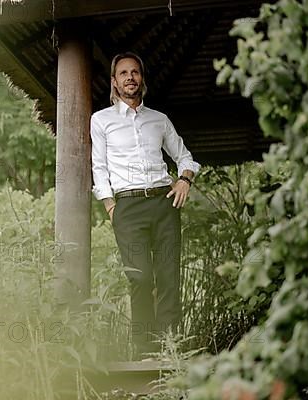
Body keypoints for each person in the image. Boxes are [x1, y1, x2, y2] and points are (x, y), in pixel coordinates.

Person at [90, 52, 201, 361]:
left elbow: (185, 157)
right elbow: (99, 168)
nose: (130, 77)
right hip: (126, 207)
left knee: (168, 275)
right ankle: (144, 352)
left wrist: (184, 180)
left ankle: (169, 351)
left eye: (135, 72)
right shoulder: (101, 120)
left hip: (163, 203)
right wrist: (111, 207)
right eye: (123, 72)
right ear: (114, 81)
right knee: (139, 277)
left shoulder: (159, 120)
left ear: (141, 78)